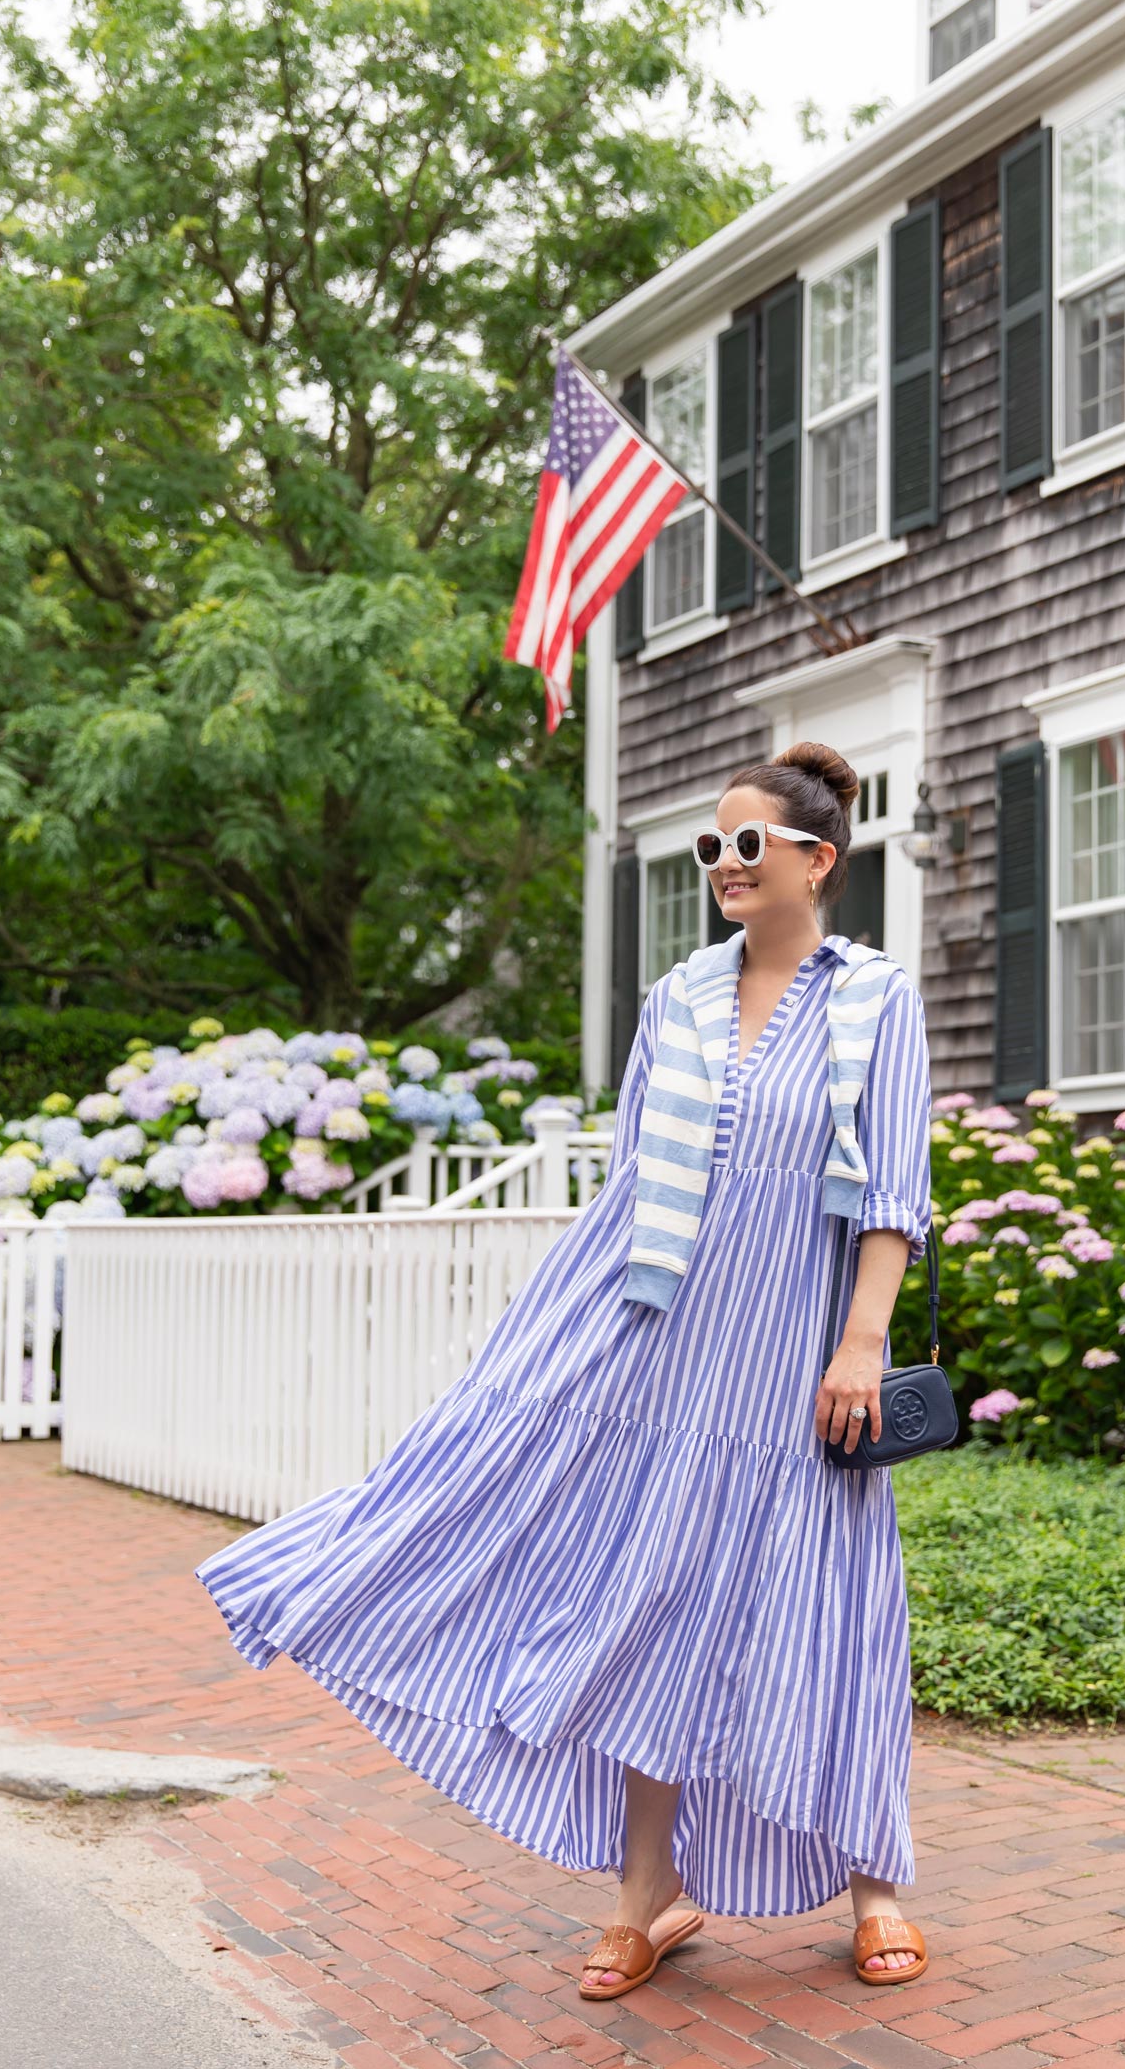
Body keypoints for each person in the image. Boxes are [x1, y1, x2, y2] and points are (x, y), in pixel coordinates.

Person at [195, 740, 936, 1997]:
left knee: (832, 1610)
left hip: (797, 1362)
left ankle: (875, 1883)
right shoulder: (679, 1002)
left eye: (745, 844)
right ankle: (650, 1896)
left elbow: (892, 1191)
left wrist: (860, 1339)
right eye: (709, 848)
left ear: (818, 859)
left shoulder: (877, 998)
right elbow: (630, 1192)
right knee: (643, 1597)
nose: (721, 866)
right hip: (665, 1350)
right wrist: (555, 1340)